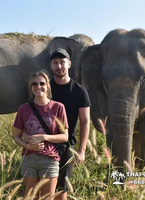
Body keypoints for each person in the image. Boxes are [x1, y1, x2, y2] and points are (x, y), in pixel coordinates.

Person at [13, 71, 69, 199]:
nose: (38, 87)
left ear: (48, 86)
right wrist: (29, 147)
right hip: (29, 159)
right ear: (31, 87)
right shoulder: (24, 108)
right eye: (34, 84)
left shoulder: (58, 107)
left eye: (42, 83)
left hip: (49, 159)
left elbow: (65, 137)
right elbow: (17, 136)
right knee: (31, 197)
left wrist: (43, 137)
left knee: (47, 197)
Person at [50, 48, 91, 200]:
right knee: (43, 187)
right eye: (55, 63)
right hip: (44, 145)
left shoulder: (80, 91)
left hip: (66, 146)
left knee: (61, 189)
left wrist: (81, 150)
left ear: (69, 64)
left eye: (62, 62)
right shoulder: (45, 88)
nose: (59, 66)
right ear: (51, 66)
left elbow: (85, 122)